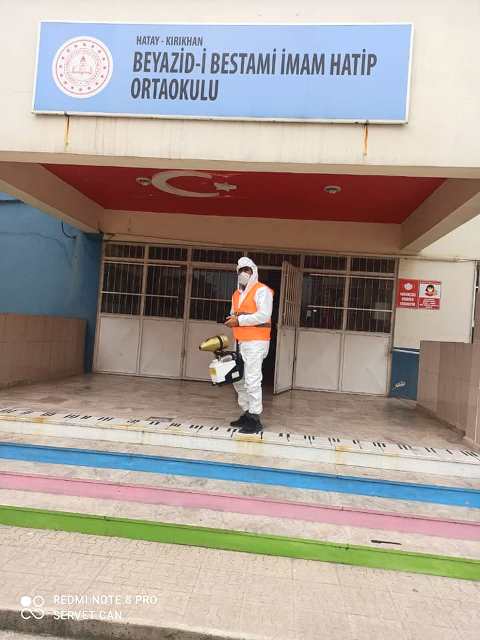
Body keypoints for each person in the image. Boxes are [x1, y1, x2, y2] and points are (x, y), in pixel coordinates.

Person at [224, 257, 274, 434]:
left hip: (256, 341)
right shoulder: (236, 294)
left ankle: (255, 417)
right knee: (238, 379)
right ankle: (246, 412)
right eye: (241, 270)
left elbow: (263, 315)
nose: (244, 273)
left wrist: (239, 321)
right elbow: (234, 314)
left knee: (252, 379)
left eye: (247, 270)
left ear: (254, 272)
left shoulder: (262, 291)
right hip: (240, 340)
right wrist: (232, 320)